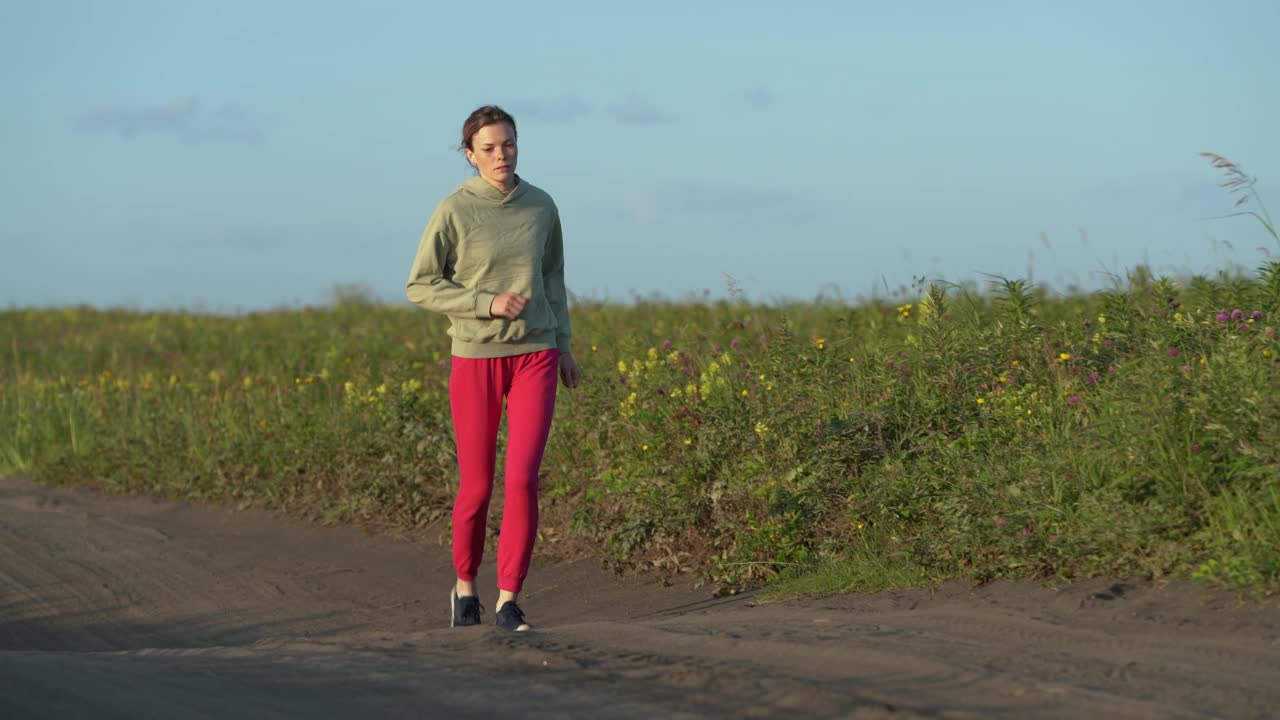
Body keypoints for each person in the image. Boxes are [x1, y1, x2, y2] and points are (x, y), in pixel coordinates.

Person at [405, 105, 580, 632]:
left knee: (523, 479)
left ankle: (508, 600)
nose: (501, 155)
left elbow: (553, 279)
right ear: (470, 154)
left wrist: (565, 345)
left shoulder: (541, 206)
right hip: (476, 355)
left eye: (509, 144)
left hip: (537, 353)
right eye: (489, 148)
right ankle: (465, 588)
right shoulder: (454, 210)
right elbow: (421, 284)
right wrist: (485, 303)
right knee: (477, 486)